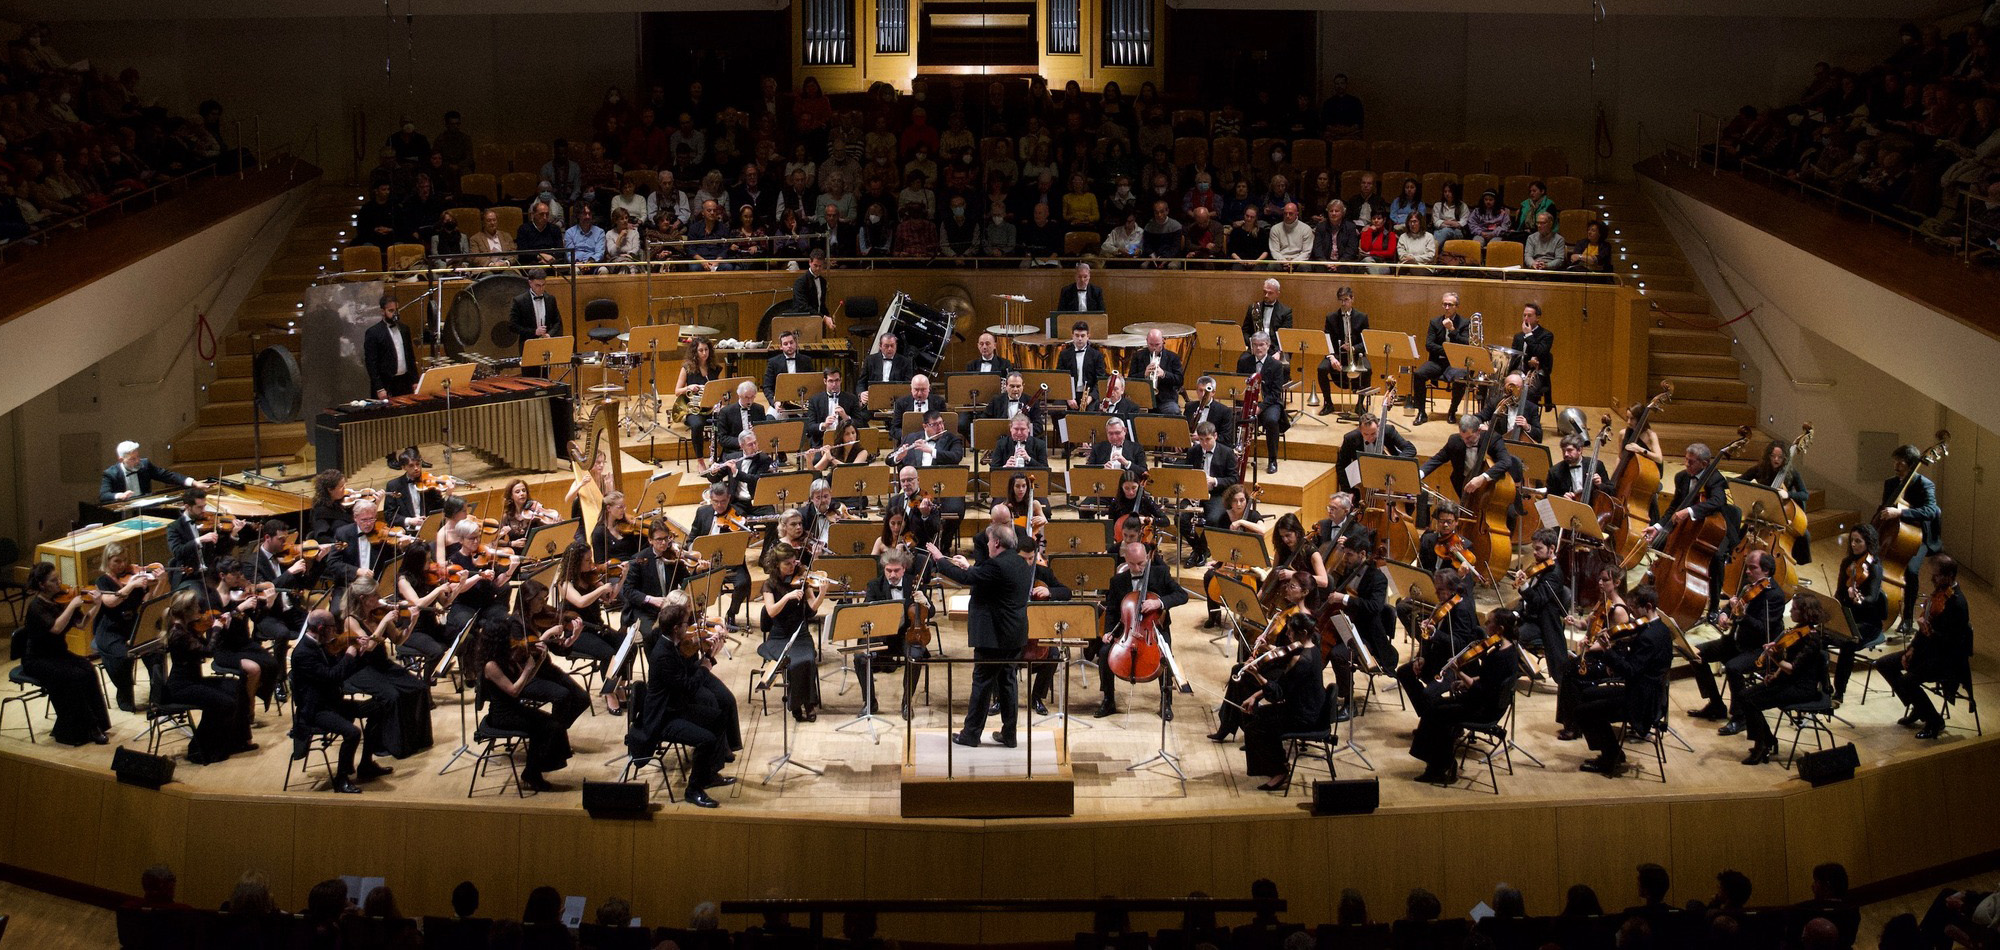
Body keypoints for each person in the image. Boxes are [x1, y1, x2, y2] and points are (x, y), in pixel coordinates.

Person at [927, 524, 1033, 746]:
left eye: (988, 541)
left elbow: (966, 578)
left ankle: (971, 734)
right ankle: (1010, 734)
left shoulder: (997, 566)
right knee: (1007, 682)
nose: (986, 544)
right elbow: (982, 575)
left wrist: (939, 558)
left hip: (994, 636)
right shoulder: (1021, 563)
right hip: (1014, 633)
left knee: (982, 683)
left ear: (996, 543)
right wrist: (969, 567)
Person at [627, 603, 731, 807]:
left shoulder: (671, 644)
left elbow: (686, 676)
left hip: (675, 707)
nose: (689, 626)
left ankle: (708, 774)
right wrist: (706, 664)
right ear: (676, 628)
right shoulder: (664, 654)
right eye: (686, 623)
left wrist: (707, 654)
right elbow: (689, 688)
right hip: (663, 718)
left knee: (719, 717)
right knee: (706, 740)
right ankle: (693, 790)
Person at [1408, 607, 1522, 785]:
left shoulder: (1499, 656)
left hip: (1484, 709)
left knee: (1436, 714)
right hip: (1486, 703)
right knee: (1435, 708)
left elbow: (1482, 689)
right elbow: (1489, 679)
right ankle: (1439, 764)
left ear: (1499, 629)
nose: (1485, 624)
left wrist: (1459, 672)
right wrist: (1467, 680)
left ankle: (1441, 767)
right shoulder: (1508, 650)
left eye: (1489, 622)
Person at [1573, 586, 1672, 776]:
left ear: (1648, 606)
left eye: (1634, 608)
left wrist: (1608, 652)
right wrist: (1617, 661)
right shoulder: (1661, 629)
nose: (1631, 613)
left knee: (1583, 712)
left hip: (1641, 701)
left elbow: (1631, 671)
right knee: (1587, 694)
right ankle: (1610, 750)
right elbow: (1639, 664)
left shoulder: (1649, 637)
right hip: (1645, 691)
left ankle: (1611, 756)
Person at [1688, 550, 1788, 735]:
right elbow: (1730, 606)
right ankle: (1716, 705)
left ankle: (1740, 717)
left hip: (1758, 649)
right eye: (1747, 567)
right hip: (1735, 641)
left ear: (1766, 571)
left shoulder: (1774, 596)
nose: (1748, 571)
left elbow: (1762, 629)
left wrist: (1743, 616)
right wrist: (1725, 614)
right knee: (1695, 653)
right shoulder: (1748, 586)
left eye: (1752, 568)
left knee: (1733, 668)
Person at [289, 610, 389, 793]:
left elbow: (342, 672)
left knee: (378, 708)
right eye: (333, 628)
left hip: (331, 703)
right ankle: (341, 780)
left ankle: (366, 765)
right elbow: (332, 676)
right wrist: (349, 655)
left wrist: (361, 654)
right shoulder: (303, 653)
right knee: (352, 733)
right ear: (321, 628)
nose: (335, 632)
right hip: (315, 711)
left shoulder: (321, 645)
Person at [472, 616, 573, 792]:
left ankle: (533, 772)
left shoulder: (506, 657)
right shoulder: (491, 665)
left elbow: (524, 681)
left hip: (514, 709)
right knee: (544, 728)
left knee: (554, 723)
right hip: (502, 716)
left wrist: (539, 659)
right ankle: (532, 774)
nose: (513, 638)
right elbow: (513, 690)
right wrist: (526, 669)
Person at [18, 562, 112, 746]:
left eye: (58, 578)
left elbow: (81, 624)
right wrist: (71, 606)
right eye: (54, 580)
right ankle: (88, 728)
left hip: (58, 654)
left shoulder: (61, 600)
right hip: (38, 659)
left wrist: (97, 605)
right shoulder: (36, 607)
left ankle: (99, 724)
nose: (59, 583)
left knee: (87, 668)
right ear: (42, 585)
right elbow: (56, 627)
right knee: (73, 677)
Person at [1094, 539, 1189, 719]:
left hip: (1154, 630)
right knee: (1105, 652)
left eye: (1141, 563)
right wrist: (1108, 632)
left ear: (1147, 557)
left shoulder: (1161, 573)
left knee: (1165, 655)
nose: (1137, 569)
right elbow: (1113, 610)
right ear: (1125, 560)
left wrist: (1159, 602)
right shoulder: (1117, 581)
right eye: (1132, 564)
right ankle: (1108, 700)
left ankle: (1166, 702)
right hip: (1127, 630)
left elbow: (1182, 595)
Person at [1879, 555, 1971, 740]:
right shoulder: (1938, 595)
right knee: (1884, 664)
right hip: (1927, 653)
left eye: (1936, 576)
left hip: (1946, 661)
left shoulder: (1957, 604)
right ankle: (1919, 707)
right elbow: (1924, 629)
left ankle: (1934, 721)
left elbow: (1953, 644)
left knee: (1908, 681)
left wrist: (1930, 633)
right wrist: (1912, 649)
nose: (1932, 579)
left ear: (1950, 576)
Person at [1641, 443, 1736, 618]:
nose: (1686, 465)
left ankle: (1714, 606)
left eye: (1691, 462)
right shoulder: (1682, 477)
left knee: (1715, 557)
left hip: (1714, 530)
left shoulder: (1715, 479)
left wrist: (1690, 511)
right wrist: (1658, 526)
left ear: (1705, 464)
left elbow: (1717, 501)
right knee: (1665, 546)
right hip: (1687, 529)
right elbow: (1674, 507)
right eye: (1685, 460)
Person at [1736, 593, 1830, 765]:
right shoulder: (1798, 631)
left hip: (1802, 688)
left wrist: (1774, 658)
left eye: (1794, 609)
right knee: (1744, 696)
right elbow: (1788, 665)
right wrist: (1774, 675)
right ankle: (1767, 740)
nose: (1791, 611)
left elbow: (1793, 667)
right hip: (1788, 680)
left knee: (1751, 701)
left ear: (1805, 612)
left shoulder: (1812, 639)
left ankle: (1762, 744)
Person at [1239, 612, 1326, 792]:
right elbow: (1283, 684)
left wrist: (1256, 674)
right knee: (1257, 716)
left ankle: (1279, 770)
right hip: (1306, 706)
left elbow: (1278, 694)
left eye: (1290, 631)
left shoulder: (1302, 660)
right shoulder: (1311, 647)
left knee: (1257, 725)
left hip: (1304, 715)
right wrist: (1255, 696)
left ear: (1302, 632)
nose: (1287, 635)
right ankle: (1276, 764)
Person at [1880, 442, 1943, 632]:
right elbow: (1884, 508)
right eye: (1895, 462)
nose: (1896, 466)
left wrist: (1901, 513)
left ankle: (1907, 618)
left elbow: (1931, 511)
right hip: (1893, 534)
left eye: (1901, 463)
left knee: (1911, 571)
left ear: (1911, 464)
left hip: (1917, 537)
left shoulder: (1925, 484)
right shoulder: (1891, 483)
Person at [759, 543, 825, 722]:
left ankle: (809, 703)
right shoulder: (769, 585)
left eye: (793, 562)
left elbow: (811, 610)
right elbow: (771, 611)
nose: (792, 566)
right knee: (795, 662)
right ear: (777, 565)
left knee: (809, 660)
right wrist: (787, 596)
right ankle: (797, 706)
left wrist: (821, 594)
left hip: (800, 634)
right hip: (779, 636)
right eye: (787, 564)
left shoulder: (802, 578)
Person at [860, 551, 930, 716]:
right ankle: (870, 702)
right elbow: (865, 612)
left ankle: (907, 702)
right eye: (888, 570)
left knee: (915, 656)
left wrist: (924, 601)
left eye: (896, 570)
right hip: (881, 634)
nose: (892, 574)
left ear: (904, 569)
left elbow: (931, 611)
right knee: (860, 658)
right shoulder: (874, 585)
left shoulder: (915, 584)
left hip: (906, 635)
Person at [1832, 525, 1887, 703]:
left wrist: (1858, 599)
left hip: (1868, 622)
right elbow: (1839, 593)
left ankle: (1838, 692)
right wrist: (1840, 601)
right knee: (1816, 635)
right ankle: (1820, 685)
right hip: (1848, 617)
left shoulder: (1875, 567)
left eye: (1858, 541)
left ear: (1868, 543)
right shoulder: (1847, 563)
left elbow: (1872, 597)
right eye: (1852, 541)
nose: (1854, 545)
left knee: (1848, 643)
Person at [1740, 438, 1812, 564]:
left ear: (1785, 458)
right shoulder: (1760, 469)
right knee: (1742, 529)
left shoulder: (1792, 473)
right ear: (1768, 456)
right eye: (1773, 456)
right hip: (1762, 513)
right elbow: (1741, 480)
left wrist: (1788, 494)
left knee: (1804, 536)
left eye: (1779, 457)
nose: (1776, 460)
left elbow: (1805, 495)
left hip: (1781, 516)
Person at [1513, 528, 1573, 679]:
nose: (1534, 552)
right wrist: (1516, 611)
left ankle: (1516, 668)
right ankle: (1517, 666)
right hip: (1528, 616)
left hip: (1540, 623)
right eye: (1534, 548)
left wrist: (1525, 586)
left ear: (1551, 548)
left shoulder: (1554, 574)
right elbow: (1528, 598)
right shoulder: (1541, 566)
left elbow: (1537, 601)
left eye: (1538, 548)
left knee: (1510, 636)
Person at [1177, 423, 1239, 566]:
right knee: (1179, 517)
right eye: (1201, 440)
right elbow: (1187, 475)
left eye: (1208, 439)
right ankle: (1201, 550)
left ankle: (1199, 551)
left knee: (1213, 519)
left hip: (1217, 494)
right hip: (1195, 493)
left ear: (1215, 436)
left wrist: (1215, 481)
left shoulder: (1227, 452)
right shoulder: (1193, 452)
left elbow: (1234, 479)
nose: (1204, 443)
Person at [1410, 291, 1470, 424]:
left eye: (1450, 305)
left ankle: (1452, 411)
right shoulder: (1435, 322)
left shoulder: (1465, 323)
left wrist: (1453, 330)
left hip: (1455, 363)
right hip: (1437, 361)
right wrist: (1448, 350)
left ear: (1456, 306)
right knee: (1419, 374)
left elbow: (1466, 344)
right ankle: (1421, 412)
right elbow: (1429, 345)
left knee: (1460, 378)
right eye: (1444, 304)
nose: (1447, 308)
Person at [1237, 332, 1288, 475]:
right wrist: (1248, 405)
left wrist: (1260, 407)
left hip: (1269, 403)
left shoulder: (1276, 365)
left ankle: (1272, 460)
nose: (1258, 348)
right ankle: (1235, 456)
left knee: (1271, 420)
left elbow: (1275, 393)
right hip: (1248, 402)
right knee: (1233, 417)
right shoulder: (1243, 362)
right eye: (1255, 345)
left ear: (1268, 345)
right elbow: (1239, 385)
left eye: (1261, 345)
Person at [1317, 286, 1371, 413]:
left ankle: (1359, 405)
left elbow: (1366, 342)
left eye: (1346, 299)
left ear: (1352, 299)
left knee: (1367, 370)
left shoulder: (1362, 317)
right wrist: (1331, 357)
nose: (1343, 303)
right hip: (1336, 354)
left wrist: (1353, 347)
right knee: (1321, 369)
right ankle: (1328, 403)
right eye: (1341, 300)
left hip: (1356, 355)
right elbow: (1326, 340)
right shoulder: (1331, 317)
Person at [1334, 412, 1415, 493]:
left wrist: (1394, 464)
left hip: (1390, 479)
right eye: (1366, 434)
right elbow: (1341, 465)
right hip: (1364, 481)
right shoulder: (1350, 438)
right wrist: (1348, 492)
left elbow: (1410, 449)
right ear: (1360, 429)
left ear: (1378, 427)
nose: (1370, 438)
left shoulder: (1388, 431)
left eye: (1373, 433)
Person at [100, 440, 196, 503]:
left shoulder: (145, 465)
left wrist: (192, 482)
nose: (137, 461)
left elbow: (166, 475)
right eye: (132, 459)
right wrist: (120, 495)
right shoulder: (110, 474)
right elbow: (104, 495)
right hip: (125, 513)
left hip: (146, 508)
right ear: (121, 460)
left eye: (138, 456)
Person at [507, 269, 563, 377]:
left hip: (546, 346)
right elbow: (512, 326)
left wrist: (549, 334)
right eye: (538, 285)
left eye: (543, 285)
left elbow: (557, 322)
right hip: (528, 346)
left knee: (546, 378)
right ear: (530, 283)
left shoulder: (550, 299)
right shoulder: (519, 301)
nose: (541, 288)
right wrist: (534, 332)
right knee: (530, 379)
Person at [1508, 302, 1557, 411]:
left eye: (1529, 316)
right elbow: (1514, 357)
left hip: (1536, 375)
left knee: (1526, 390)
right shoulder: (1518, 336)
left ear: (1537, 318)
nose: (1526, 318)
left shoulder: (1546, 335)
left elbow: (1540, 352)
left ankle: (1525, 420)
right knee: (1501, 385)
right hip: (1518, 372)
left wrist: (1529, 335)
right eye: (1524, 315)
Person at [1053, 320, 1108, 410]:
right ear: (1072, 336)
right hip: (1070, 394)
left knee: (1093, 410)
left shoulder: (1097, 355)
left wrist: (1090, 398)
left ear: (1088, 336)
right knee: (1057, 409)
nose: (1079, 339)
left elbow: (1100, 380)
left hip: (1088, 395)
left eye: (1083, 336)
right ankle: (1062, 425)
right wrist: (1068, 397)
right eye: (1077, 335)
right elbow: (1061, 378)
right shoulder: (1064, 354)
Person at [1125, 329, 1184, 414]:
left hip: (1165, 400)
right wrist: (1144, 374)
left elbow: (1180, 380)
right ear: (1146, 341)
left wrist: (1164, 374)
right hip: (1143, 399)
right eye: (1151, 344)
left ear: (1163, 341)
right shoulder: (1138, 356)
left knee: (1173, 410)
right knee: (1130, 411)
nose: (1154, 348)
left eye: (1157, 344)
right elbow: (1130, 379)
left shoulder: (1173, 357)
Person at [1547, 433, 1610, 501]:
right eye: (1563, 450)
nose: (1566, 454)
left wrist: (1600, 484)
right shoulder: (1555, 472)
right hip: (1568, 508)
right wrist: (1562, 498)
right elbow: (1548, 498)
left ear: (1580, 450)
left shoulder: (1597, 465)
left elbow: (1612, 491)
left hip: (1593, 507)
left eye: (1569, 450)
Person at [1184, 376, 1238, 448]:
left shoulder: (1224, 411)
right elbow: (1184, 430)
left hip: (1212, 449)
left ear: (1213, 392)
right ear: (1196, 391)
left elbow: (1226, 439)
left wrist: (1201, 438)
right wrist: (1180, 442)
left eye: (1206, 391)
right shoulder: (1189, 406)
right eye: (1200, 390)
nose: (1203, 394)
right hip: (1190, 448)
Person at [1240, 278, 1293, 347]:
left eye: (1270, 293)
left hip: (1275, 349)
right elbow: (1245, 331)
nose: (1266, 295)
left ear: (1277, 294)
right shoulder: (1253, 308)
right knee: (1243, 358)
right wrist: (1251, 343)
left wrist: (1278, 352)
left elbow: (1285, 337)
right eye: (1265, 292)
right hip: (1255, 346)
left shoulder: (1285, 312)